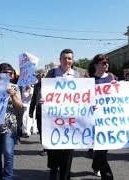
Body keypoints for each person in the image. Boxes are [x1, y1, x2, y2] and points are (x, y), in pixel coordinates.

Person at [45, 49, 81, 180]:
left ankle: (65, 175)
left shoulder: (77, 75)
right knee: (54, 147)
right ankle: (53, 170)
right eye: (64, 58)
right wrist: (42, 99)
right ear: (60, 59)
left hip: (71, 118)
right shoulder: (52, 73)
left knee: (68, 149)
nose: (67, 61)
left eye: (70, 58)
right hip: (54, 117)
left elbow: (83, 95)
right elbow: (43, 91)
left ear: (72, 60)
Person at [0, 63, 23, 180]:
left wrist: (12, 95)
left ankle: (7, 178)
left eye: (10, 73)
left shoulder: (15, 87)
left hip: (10, 124)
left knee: (8, 153)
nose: (9, 75)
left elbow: (20, 107)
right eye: (5, 72)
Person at [87, 54, 114, 179]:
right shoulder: (90, 81)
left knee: (104, 147)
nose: (106, 64)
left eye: (107, 62)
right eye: (103, 62)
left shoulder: (113, 79)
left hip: (109, 118)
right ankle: (107, 175)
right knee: (100, 148)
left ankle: (96, 164)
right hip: (94, 119)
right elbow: (83, 100)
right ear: (96, 64)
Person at [29, 69, 47, 156]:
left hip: (49, 113)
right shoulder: (36, 86)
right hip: (39, 112)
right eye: (39, 76)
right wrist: (31, 110)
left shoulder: (51, 85)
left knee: (47, 131)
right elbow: (34, 99)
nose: (40, 78)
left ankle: (49, 148)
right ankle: (45, 147)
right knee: (41, 131)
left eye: (42, 76)